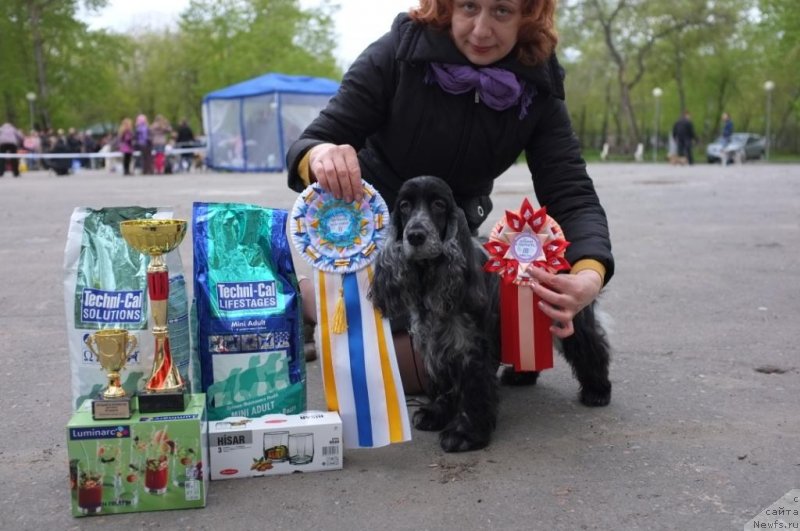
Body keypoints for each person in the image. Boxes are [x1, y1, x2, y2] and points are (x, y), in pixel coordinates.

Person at [285, 0, 614, 393]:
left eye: (502, 11)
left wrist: (588, 276)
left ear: (528, 14)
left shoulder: (537, 83)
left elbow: (570, 192)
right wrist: (322, 156)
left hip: (452, 239)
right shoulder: (396, 52)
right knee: (416, 372)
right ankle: (312, 299)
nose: (480, 30)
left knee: (478, 347)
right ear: (445, 7)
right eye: (469, 7)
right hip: (371, 235)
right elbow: (311, 142)